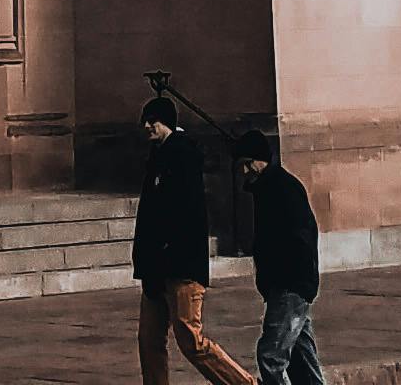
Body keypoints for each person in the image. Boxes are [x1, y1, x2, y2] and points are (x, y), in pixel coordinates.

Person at [130, 93, 248, 385]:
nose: (147, 126)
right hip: (156, 269)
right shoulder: (158, 157)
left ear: (166, 123)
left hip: (180, 268)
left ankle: (243, 383)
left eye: (152, 121)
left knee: (190, 340)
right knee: (149, 340)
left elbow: (185, 215)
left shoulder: (182, 157)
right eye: (145, 121)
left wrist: (168, 253)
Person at [235, 131, 327, 385]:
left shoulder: (282, 188)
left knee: (271, 356)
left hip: (290, 284)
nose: (243, 172)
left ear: (258, 161)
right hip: (286, 285)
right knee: (302, 358)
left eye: (245, 164)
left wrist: (288, 281)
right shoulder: (268, 188)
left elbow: (300, 239)